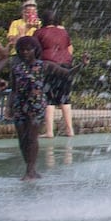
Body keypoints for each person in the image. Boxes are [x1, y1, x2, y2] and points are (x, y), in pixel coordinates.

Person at [0, 36, 80, 180]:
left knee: (31, 136)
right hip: (20, 105)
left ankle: (30, 169)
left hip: (36, 105)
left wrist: (82, 64)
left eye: (28, 49)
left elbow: (67, 74)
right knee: (22, 139)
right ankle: (29, 168)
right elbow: (13, 89)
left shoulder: (44, 65)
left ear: (35, 50)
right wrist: (9, 107)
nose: (25, 52)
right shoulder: (16, 68)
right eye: (22, 50)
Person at [35, 8, 76, 137]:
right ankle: (70, 130)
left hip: (48, 65)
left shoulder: (39, 32)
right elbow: (70, 48)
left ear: (43, 20)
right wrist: (65, 61)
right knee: (65, 98)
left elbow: (34, 50)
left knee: (49, 98)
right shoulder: (63, 32)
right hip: (65, 66)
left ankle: (49, 131)